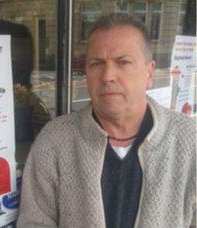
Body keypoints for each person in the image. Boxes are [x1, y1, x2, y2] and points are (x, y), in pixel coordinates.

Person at [17, 13, 196, 228]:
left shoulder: (190, 141)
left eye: (123, 62)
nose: (108, 75)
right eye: (97, 63)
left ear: (149, 73)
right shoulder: (54, 142)